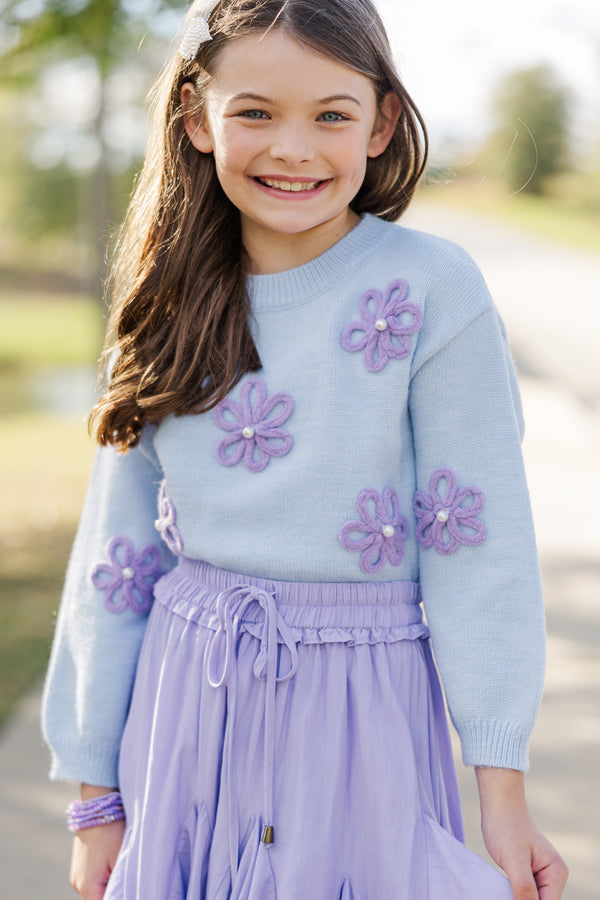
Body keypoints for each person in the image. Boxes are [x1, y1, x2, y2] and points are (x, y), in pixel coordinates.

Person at [42, 1, 569, 898]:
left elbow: (479, 553)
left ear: (382, 122)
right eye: (255, 112)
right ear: (196, 120)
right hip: (184, 708)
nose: (294, 148)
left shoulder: (432, 291)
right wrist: (98, 796)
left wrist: (502, 789)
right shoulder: (169, 298)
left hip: (363, 716)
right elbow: (116, 557)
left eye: (331, 114)